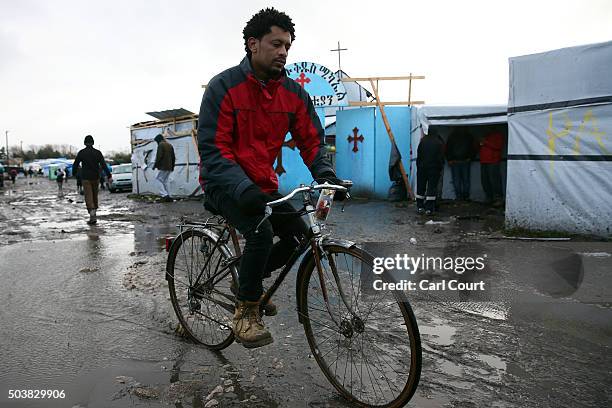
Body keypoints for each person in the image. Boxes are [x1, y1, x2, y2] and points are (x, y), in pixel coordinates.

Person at [198, 7, 345, 349]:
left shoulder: (293, 94)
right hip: (223, 183)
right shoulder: (223, 87)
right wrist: (239, 186)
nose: (283, 52)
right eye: (276, 43)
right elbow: (213, 148)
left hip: (261, 183)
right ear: (253, 44)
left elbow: (311, 139)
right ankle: (246, 312)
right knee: (261, 232)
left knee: (299, 233)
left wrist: (325, 173)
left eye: (287, 46)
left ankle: (247, 279)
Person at [73, 135, 112, 225]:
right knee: (95, 195)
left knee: (88, 196)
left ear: (85, 143)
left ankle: (92, 215)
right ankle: (94, 213)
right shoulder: (98, 153)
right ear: (93, 142)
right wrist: (109, 175)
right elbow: (103, 164)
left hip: (86, 178)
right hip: (96, 177)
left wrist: (75, 174)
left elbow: (75, 164)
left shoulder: (81, 153)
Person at [416, 128, 445, 216]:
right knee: (431, 188)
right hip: (433, 169)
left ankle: (420, 206)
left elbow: (419, 155)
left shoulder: (422, 141)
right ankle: (429, 208)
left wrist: (419, 166)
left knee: (421, 187)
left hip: (422, 169)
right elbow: (440, 157)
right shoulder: (438, 142)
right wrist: (440, 167)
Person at [479, 126, 505, 207]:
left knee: (495, 180)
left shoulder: (498, 135)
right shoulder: (485, 135)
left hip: (493, 161)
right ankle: (489, 197)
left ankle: (499, 198)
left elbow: (498, 146)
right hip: (484, 161)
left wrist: (485, 142)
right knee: (485, 180)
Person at [446, 128, 475, 201]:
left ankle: (459, 197)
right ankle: (466, 197)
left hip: (455, 161)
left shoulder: (451, 136)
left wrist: (449, 159)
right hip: (465, 160)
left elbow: (448, 148)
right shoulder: (469, 136)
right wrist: (470, 158)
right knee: (466, 180)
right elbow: (473, 148)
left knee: (456, 180)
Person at [152, 133, 176, 201]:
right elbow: (173, 157)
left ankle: (164, 195)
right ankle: (169, 195)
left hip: (163, 166)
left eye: (156, 141)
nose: (157, 143)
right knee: (165, 181)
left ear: (158, 140)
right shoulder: (170, 145)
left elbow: (159, 156)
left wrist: (155, 165)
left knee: (157, 179)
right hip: (169, 167)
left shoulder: (161, 145)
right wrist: (172, 167)